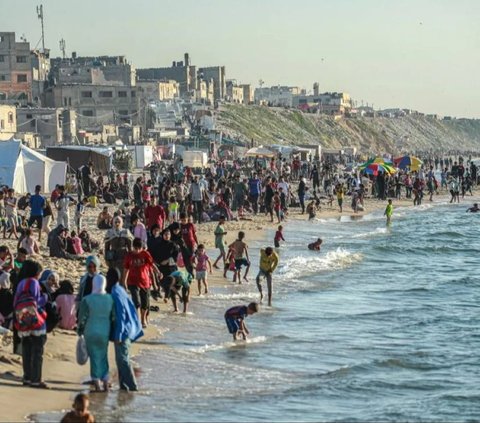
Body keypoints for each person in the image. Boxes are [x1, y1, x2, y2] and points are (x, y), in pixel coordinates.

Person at [106, 267, 143, 392]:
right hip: (128, 328)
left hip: (123, 331)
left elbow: (121, 315)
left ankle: (133, 387)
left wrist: (119, 335)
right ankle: (123, 386)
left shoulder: (115, 292)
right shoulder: (120, 289)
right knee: (120, 359)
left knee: (123, 360)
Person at [13, 260, 48, 388]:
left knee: (27, 350)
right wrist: (45, 297)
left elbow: (16, 301)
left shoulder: (21, 283)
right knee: (37, 351)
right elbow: (36, 301)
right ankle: (36, 379)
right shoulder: (34, 282)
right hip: (36, 322)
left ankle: (27, 377)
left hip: (23, 321)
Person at [77, 274, 115, 392]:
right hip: (105, 332)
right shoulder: (110, 299)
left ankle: (97, 383)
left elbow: (82, 317)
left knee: (94, 357)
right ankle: (105, 382)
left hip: (90, 331)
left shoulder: (87, 299)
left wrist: (80, 330)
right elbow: (113, 317)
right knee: (103, 356)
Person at [122, 237, 161, 328]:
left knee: (145, 304)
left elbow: (152, 265)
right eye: (136, 248)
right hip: (132, 282)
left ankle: (143, 319)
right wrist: (124, 281)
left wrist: (158, 272)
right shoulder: (129, 255)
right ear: (133, 247)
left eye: (139, 248)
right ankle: (136, 320)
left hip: (145, 282)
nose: (137, 250)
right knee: (136, 302)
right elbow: (126, 269)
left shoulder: (145, 254)